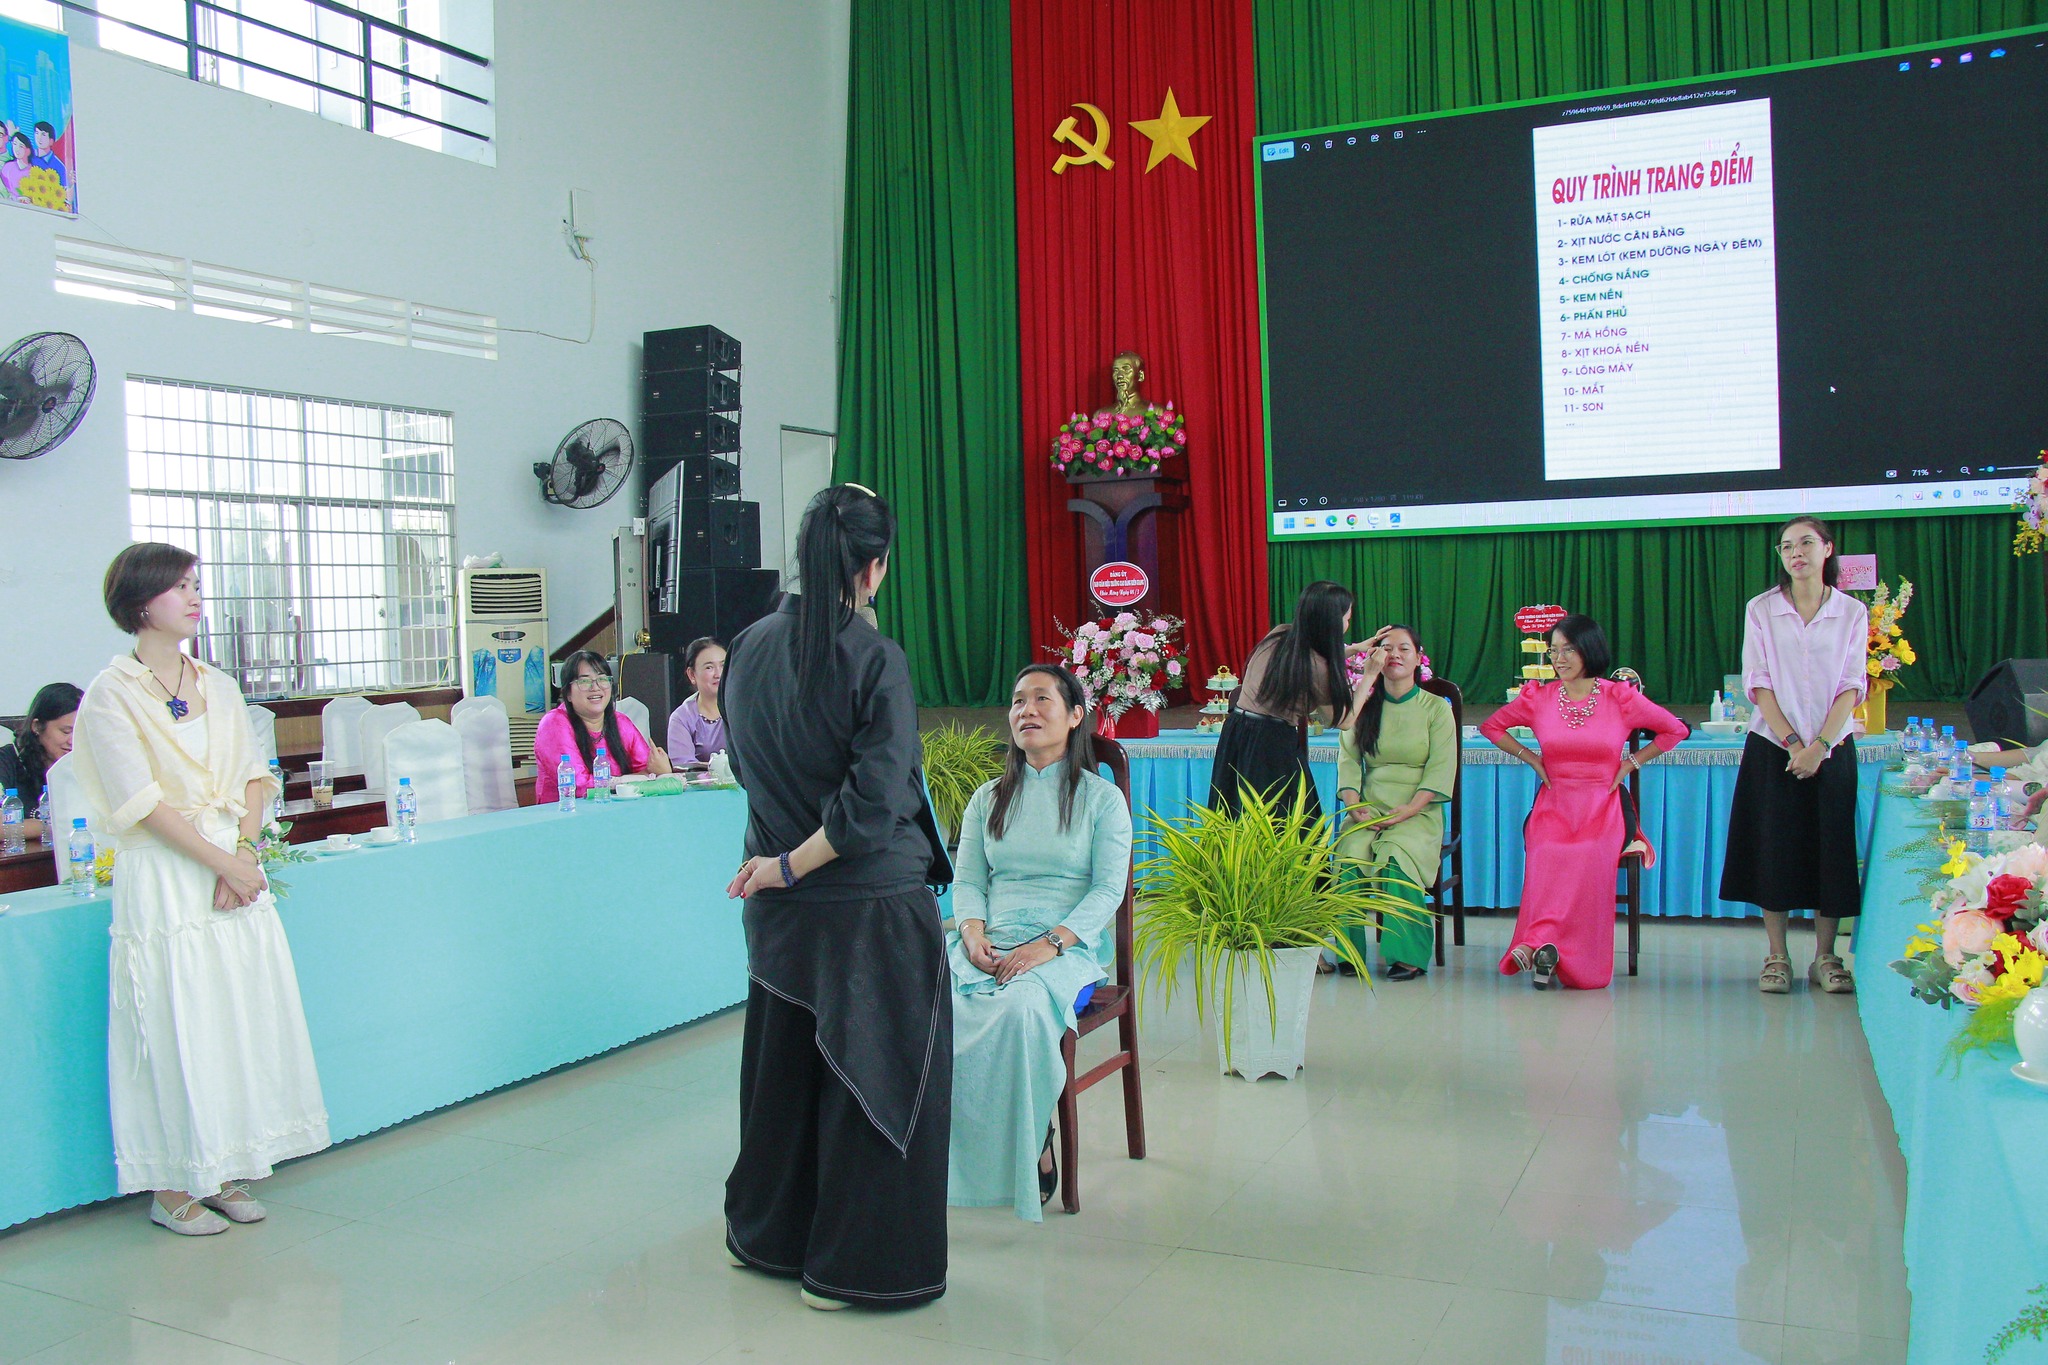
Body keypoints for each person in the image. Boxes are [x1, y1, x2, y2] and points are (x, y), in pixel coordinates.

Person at [721, 483, 954, 1310]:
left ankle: (769, 1238)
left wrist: (778, 868)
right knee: (876, 1082)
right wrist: (793, 866)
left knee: (781, 1083)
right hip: (866, 912)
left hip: (779, 912)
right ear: (874, 567)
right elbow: (870, 808)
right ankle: (855, 1269)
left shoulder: (746, 646)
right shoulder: (873, 657)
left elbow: (745, 767)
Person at [67, 543, 329, 1235]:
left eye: (195, 584)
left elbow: (253, 774)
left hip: (229, 865)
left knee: (233, 1016)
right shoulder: (110, 693)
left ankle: (225, 1163)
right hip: (166, 872)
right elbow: (141, 802)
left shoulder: (218, 682)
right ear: (139, 602)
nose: (194, 596)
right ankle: (171, 1183)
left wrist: (244, 852)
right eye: (179, 586)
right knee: (172, 1020)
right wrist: (222, 862)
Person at [947, 664, 1132, 1220]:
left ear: (1075, 716)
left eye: (1041, 699)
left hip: (1067, 948)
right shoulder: (988, 798)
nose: (1026, 710)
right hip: (990, 939)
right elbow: (968, 881)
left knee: (1020, 1009)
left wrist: (1049, 945)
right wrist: (972, 934)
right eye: (1017, 701)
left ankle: (1034, 1140)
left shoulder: (1102, 799)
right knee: (923, 1003)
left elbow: (1109, 891)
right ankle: (945, 1160)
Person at [1481, 614, 1688, 990]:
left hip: (1603, 808)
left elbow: (1675, 729)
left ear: (1589, 650)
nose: (1558, 659)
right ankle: (1541, 944)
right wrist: (1532, 759)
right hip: (1553, 806)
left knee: (1588, 854)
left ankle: (1544, 945)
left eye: (1568, 650)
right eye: (1553, 651)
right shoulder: (1538, 698)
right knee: (1547, 850)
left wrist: (1631, 763)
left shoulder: (1620, 698)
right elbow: (1491, 726)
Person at [1721, 516, 1869, 995]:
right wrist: (1794, 745)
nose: (1796, 553)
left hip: (1833, 748)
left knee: (1832, 851)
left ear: (1827, 549)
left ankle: (1826, 957)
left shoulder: (1851, 612)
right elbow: (1758, 682)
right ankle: (1777, 955)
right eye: (1786, 547)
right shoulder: (1761, 609)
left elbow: (1852, 684)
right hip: (1773, 748)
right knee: (1774, 850)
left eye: (1806, 543)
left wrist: (1820, 746)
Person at [1208, 580, 1387, 820]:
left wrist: (1355, 648)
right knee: (1284, 819)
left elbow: (1306, 658)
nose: (1347, 624)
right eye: (1346, 619)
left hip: (1236, 731)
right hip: (1270, 743)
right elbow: (1343, 721)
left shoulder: (1280, 634)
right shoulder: (1318, 669)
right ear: (1332, 623)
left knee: (1235, 814)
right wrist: (1370, 674)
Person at [1334, 627, 1454, 981]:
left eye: (1404, 649)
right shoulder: (1363, 707)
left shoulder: (1436, 709)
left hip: (1418, 810)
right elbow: (1348, 760)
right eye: (1387, 648)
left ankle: (1408, 956)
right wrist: (1354, 805)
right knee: (1349, 855)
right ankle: (1347, 952)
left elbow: (1441, 767)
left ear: (1419, 657)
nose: (1395, 655)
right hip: (1368, 807)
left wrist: (1411, 809)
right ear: (1375, 657)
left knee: (1396, 856)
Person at [533, 649, 671, 801]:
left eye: (602, 679)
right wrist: (632, 779)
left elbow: (648, 771)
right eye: (584, 681)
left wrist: (661, 772)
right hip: (566, 811)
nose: (595, 687)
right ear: (568, 694)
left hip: (618, 808)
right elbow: (578, 786)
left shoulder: (621, 722)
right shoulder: (554, 724)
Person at [0, 681, 82, 842]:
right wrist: (59, 826)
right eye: (66, 731)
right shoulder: (7, 761)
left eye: (80, 732)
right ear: (37, 726)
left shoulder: (86, 763)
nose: (72, 741)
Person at [665, 636, 728, 763]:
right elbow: (684, 767)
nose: (718, 674)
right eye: (709, 667)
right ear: (692, 675)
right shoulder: (681, 718)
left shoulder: (743, 709)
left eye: (723, 665)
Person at [0, 131, 34, 199]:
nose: (17, 149)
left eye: (21, 146)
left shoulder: (33, 171)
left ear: (28, 150)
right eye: (14, 144)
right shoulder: (7, 167)